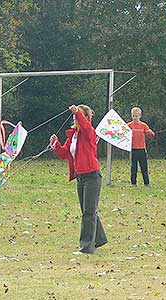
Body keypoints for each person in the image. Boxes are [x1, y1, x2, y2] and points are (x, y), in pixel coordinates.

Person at [49, 104, 107, 254]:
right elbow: (64, 153)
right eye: (76, 115)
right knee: (88, 210)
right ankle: (99, 239)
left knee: (88, 212)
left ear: (87, 118)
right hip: (80, 176)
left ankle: (87, 247)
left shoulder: (89, 132)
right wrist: (55, 144)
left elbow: (86, 126)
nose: (76, 118)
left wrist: (77, 112)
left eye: (80, 115)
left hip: (92, 175)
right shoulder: (73, 135)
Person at [127, 107, 155, 186]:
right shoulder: (129, 125)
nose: (135, 117)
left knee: (144, 167)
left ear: (140, 115)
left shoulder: (143, 125)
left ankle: (146, 183)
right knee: (134, 168)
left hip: (142, 149)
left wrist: (151, 133)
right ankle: (133, 183)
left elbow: (149, 134)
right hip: (133, 149)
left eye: (136, 116)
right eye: (133, 116)